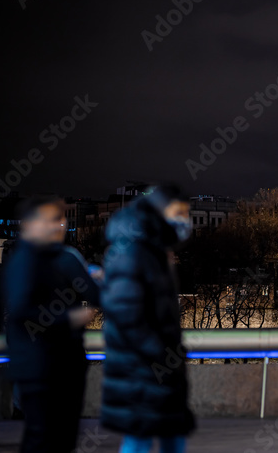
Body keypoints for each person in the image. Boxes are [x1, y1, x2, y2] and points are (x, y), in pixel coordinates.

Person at [100, 185, 196, 453]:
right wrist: (162, 353)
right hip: (142, 367)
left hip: (155, 366)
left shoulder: (152, 250)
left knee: (166, 436)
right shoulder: (133, 251)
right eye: (178, 212)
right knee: (141, 439)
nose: (184, 220)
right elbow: (126, 313)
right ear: (157, 212)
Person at [4, 195, 100, 452]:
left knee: (61, 435)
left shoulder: (66, 257)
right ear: (28, 225)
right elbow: (22, 311)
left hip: (64, 361)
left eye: (59, 219)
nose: (56, 226)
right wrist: (68, 318)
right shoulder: (25, 261)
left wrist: (92, 274)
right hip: (39, 364)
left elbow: (94, 294)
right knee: (45, 436)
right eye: (47, 220)